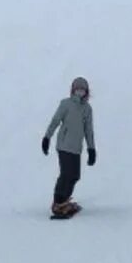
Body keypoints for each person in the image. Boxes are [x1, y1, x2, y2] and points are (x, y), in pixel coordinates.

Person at [42, 77, 96, 217]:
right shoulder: (65, 104)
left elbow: (88, 130)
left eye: (82, 90)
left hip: (76, 147)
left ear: (86, 92)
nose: (80, 92)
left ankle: (64, 201)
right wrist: (47, 137)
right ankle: (57, 202)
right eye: (77, 89)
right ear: (73, 90)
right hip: (64, 145)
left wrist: (91, 149)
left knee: (75, 176)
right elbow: (55, 121)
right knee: (66, 174)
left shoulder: (87, 109)